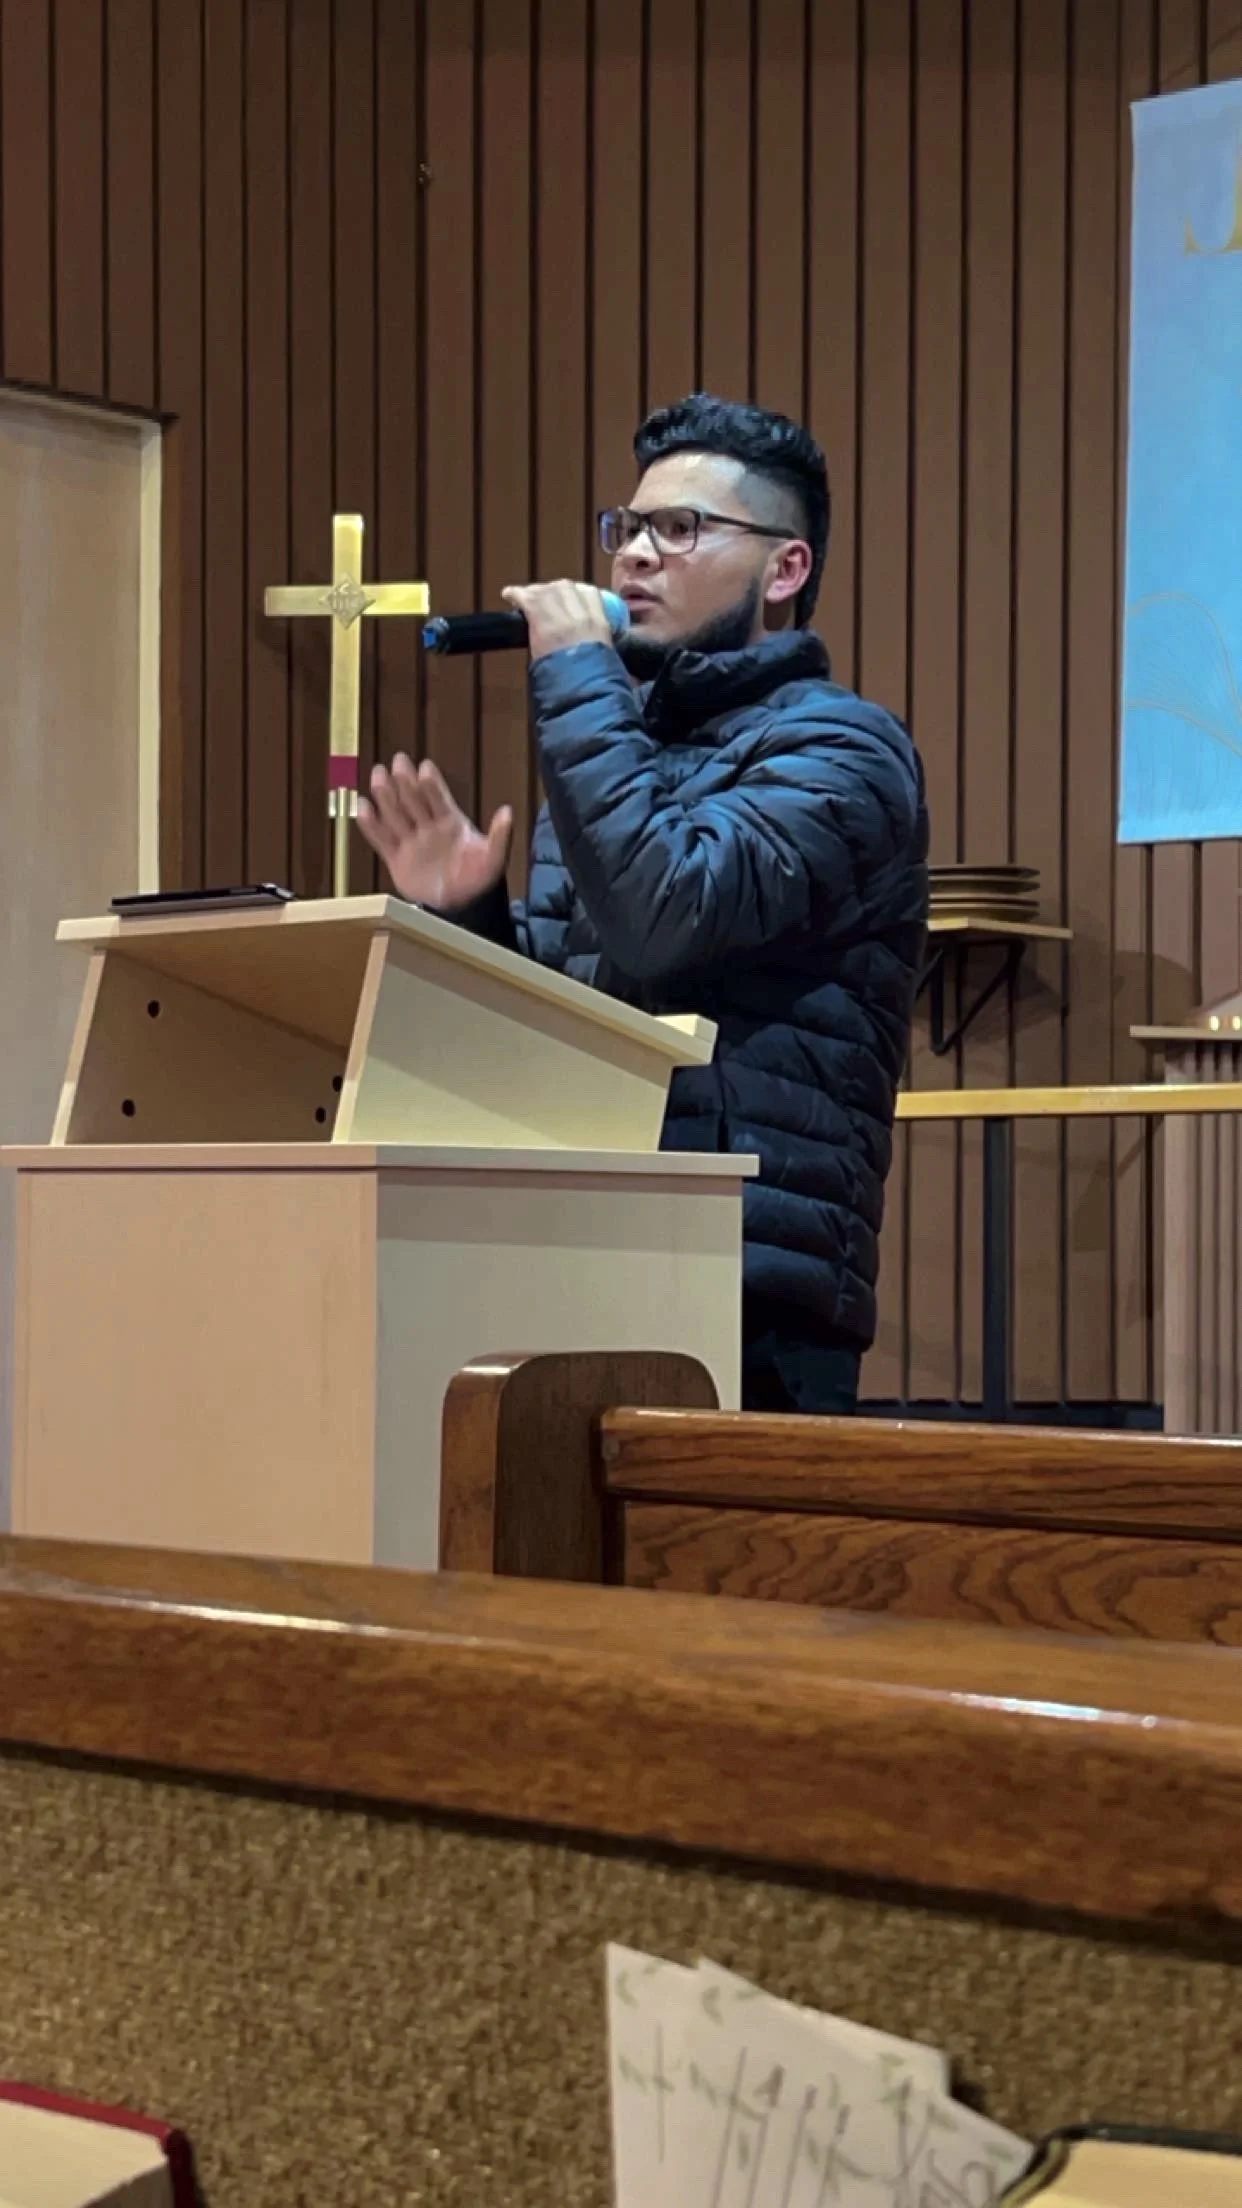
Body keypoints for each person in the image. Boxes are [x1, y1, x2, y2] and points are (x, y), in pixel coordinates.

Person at [358, 393, 928, 1413]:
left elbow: (664, 919)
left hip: (748, 1289)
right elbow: (559, 1039)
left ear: (785, 570)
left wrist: (581, 675)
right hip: (586, 1250)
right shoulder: (616, 765)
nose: (633, 556)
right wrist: (470, 913)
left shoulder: (846, 751)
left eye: (681, 528)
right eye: (627, 527)